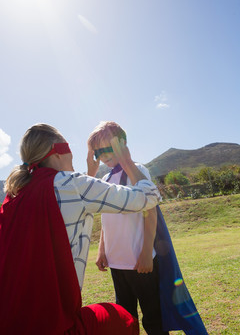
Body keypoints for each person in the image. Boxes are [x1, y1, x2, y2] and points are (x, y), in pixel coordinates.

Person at [0, 123, 161, 335]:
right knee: (123, 318)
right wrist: (126, 160)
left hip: (12, 320)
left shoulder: (14, 196)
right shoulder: (74, 184)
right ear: (58, 152)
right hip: (55, 324)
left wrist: (90, 173)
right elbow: (149, 197)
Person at [87, 121, 209, 335]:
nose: (103, 155)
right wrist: (101, 249)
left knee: (153, 318)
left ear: (122, 145)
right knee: (125, 318)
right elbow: (106, 218)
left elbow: (150, 212)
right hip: (117, 263)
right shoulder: (104, 179)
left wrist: (145, 254)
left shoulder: (138, 171)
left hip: (139, 261)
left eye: (108, 148)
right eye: (98, 151)